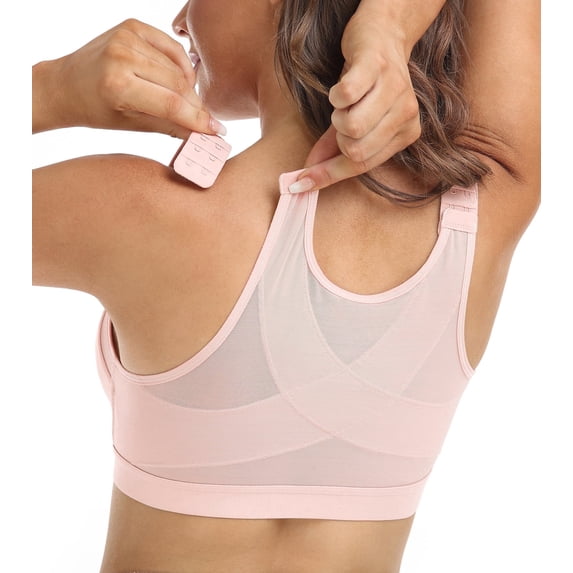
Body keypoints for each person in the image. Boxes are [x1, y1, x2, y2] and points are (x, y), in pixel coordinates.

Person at [31, 1, 540, 572]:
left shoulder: (137, 213)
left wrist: (49, 90)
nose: (180, 18)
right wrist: (389, 26)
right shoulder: (481, 213)